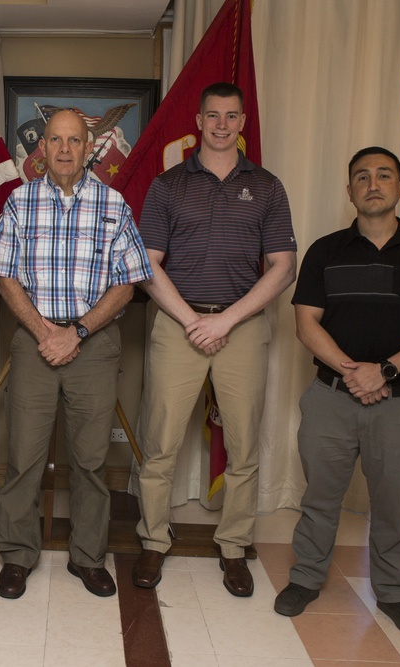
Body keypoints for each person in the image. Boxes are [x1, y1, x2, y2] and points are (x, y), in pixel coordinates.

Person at [274, 147, 400, 639]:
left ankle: (395, 593)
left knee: (392, 502)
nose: (372, 184)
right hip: (331, 397)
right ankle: (306, 579)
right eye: (361, 177)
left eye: (383, 176)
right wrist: (354, 371)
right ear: (349, 190)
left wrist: (386, 371)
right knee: (320, 498)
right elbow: (304, 322)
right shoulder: (325, 250)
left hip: (398, 404)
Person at [133, 82, 297, 596]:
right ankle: (154, 541)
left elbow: (284, 268)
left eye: (231, 116)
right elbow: (147, 267)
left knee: (244, 445)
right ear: (198, 122)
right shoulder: (167, 185)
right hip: (177, 325)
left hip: (243, 328)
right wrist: (191, 320)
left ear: (243, 122)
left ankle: (233, 547)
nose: (222, 124)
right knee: (160, 443)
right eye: (213, 116)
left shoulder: (268, 186)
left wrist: (224, 321)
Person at [0, 109, 153, 600]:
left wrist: (75, 332)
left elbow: (127, 283)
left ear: (88, 148)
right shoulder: (19, 202)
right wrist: (45, 331)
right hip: (34, 340)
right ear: (43, 149)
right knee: (24, 457)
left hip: (94, 345)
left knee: (91, 460)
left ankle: (88, 557)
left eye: (73, 141)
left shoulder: (114, 204)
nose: (62, 149)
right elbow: (4, 277)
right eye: (54, 140)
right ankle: (17, 555)